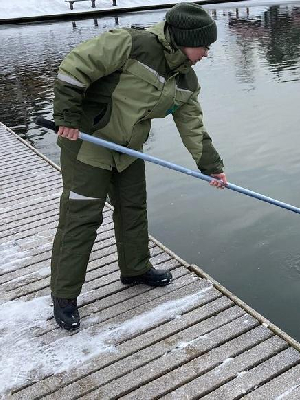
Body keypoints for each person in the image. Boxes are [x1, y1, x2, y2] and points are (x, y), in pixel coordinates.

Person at [51, 3, 226, 330]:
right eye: (203, 46)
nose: (206, 53)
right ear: (185, 39)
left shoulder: (185, 79)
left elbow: (193, 126)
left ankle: (135, 269)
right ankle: (64, 295)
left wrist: (211, 166)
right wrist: (67, 118)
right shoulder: (131, 43)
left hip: (128, 150)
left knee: (133, 208)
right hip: (88, 144)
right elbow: (73, 67)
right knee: (82, 219)